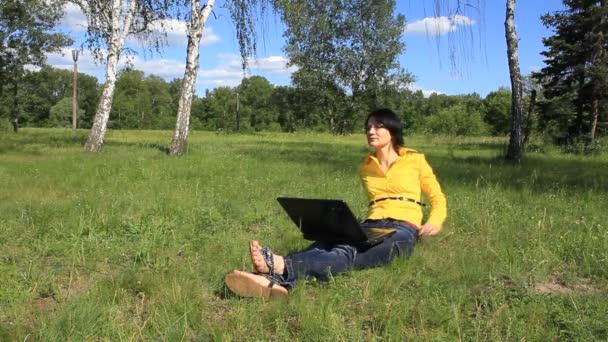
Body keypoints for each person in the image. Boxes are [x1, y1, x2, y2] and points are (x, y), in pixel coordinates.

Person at [224, 108, 447, 299]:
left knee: (347, 255)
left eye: (377, 126)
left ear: (392, 130)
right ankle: (272, 281)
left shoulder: (415, 160)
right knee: (334, 244)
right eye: (368, 127)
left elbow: (437, 197)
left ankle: (278, 267)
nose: (370, 131)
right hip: (370, 224)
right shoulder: (366, 166)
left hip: (404, 228)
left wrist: (434, 222)